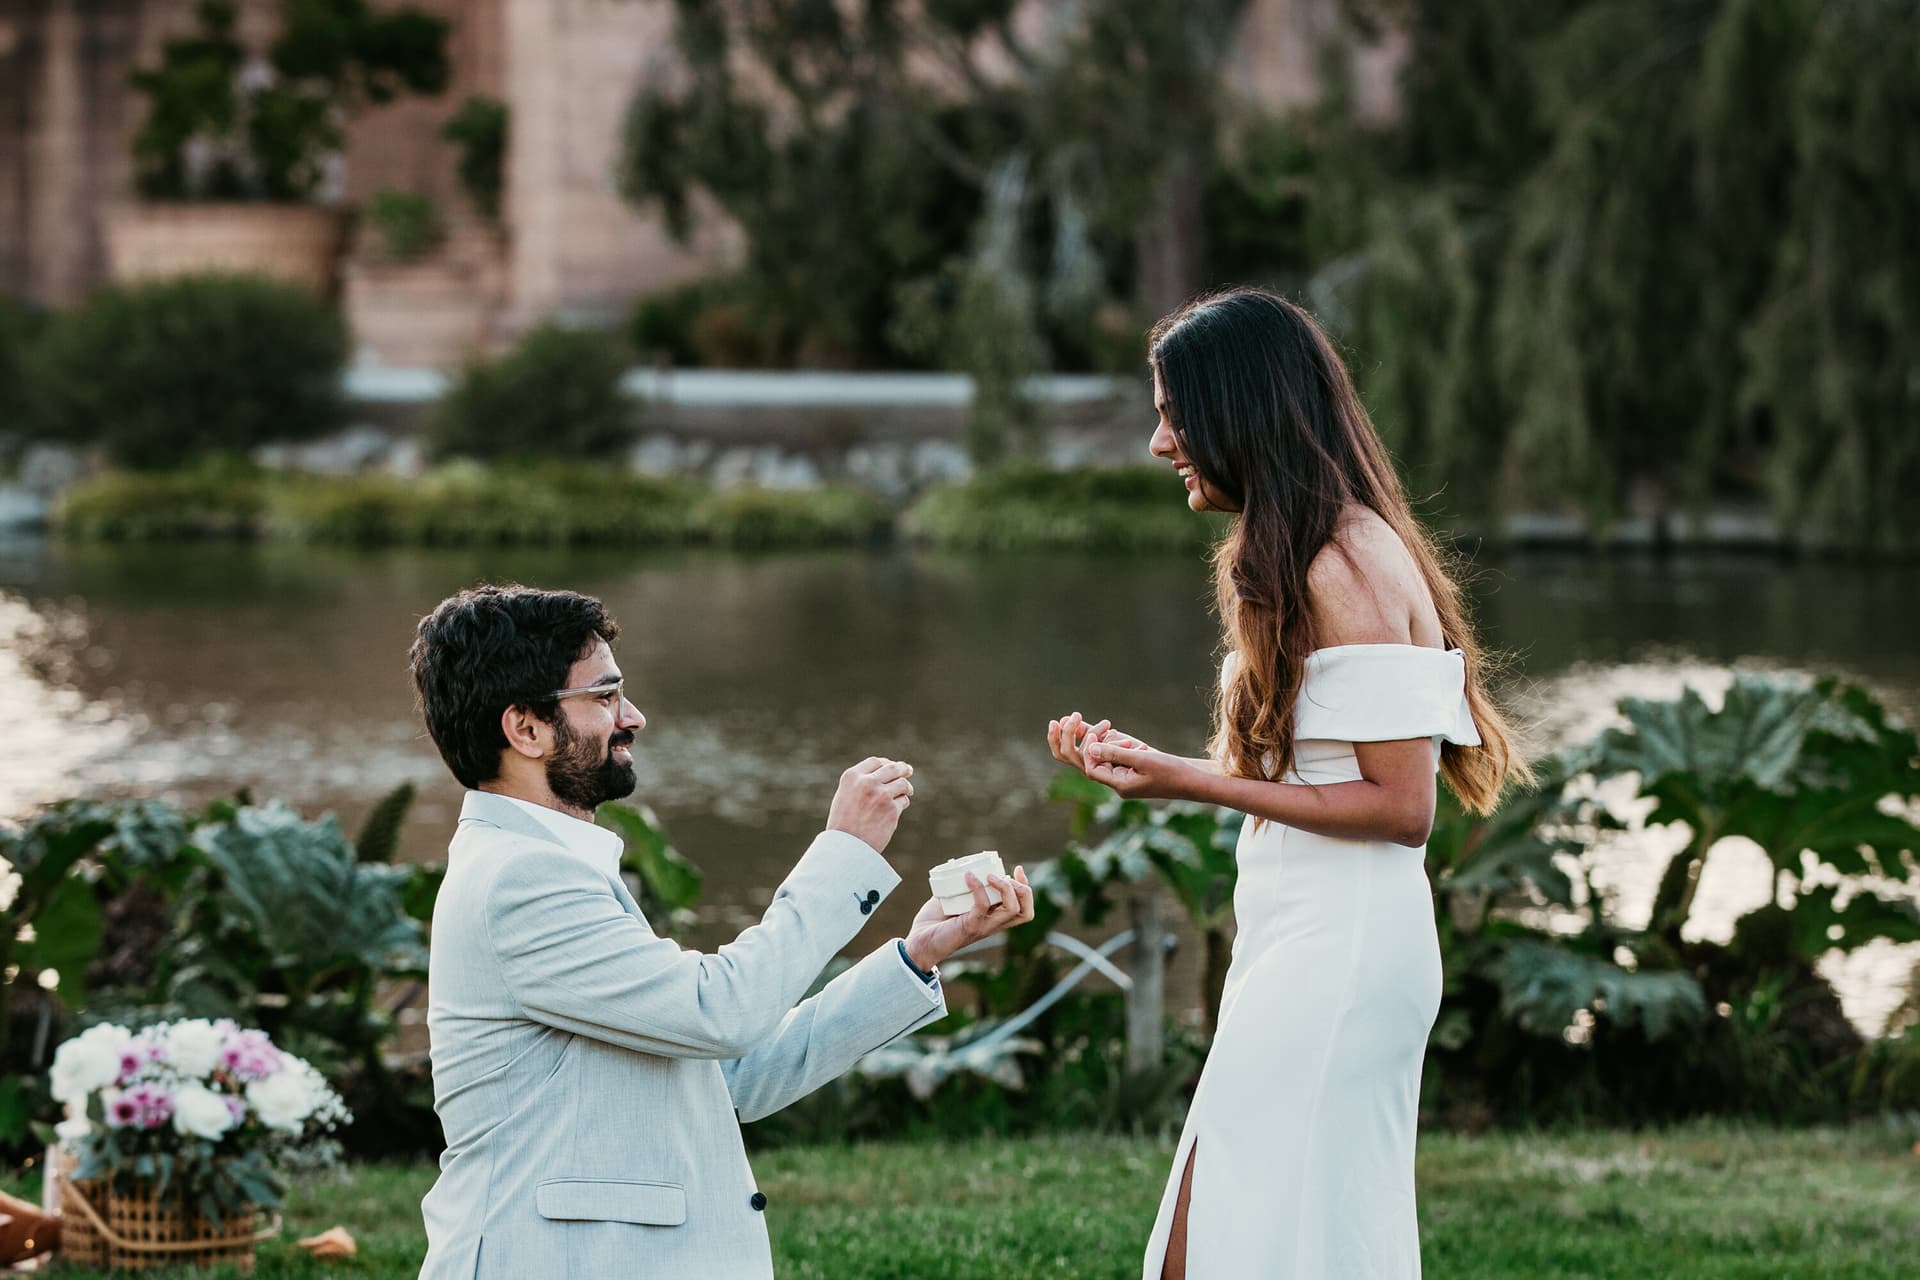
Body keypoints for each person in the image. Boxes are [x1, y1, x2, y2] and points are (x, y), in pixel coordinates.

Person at [1047, 287, 1532, 1279]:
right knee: (1225, 1240)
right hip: (1300, 940)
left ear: (1241, 411)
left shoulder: (1345, 561)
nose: (1158, 442)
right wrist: (1148, 763)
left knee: (1249, 1247)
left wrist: (1185, 779)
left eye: (1174, 415)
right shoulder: (1296, 554)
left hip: (1344, 952)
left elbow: (1404, 807)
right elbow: (1310, 767)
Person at [408, 584, 1033, 1279]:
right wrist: (843, 853)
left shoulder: (543, 865)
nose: (633, 716)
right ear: (525, 728)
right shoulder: (521, 881)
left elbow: (730, 1078)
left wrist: (917, 956)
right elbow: (721, 1013)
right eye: (605, 695)